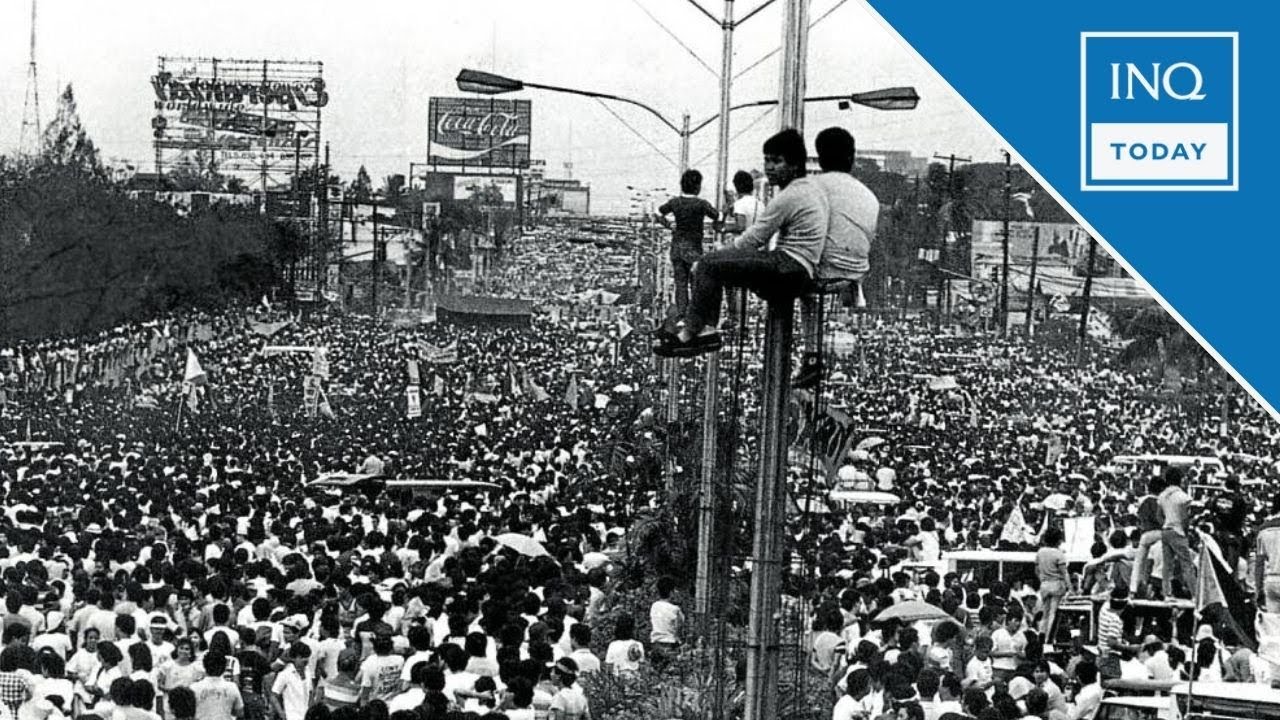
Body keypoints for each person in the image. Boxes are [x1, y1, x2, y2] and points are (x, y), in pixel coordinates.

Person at [654, 129, 827, 357]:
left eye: (776, 161)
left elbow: (753, 238)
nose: (769, 167)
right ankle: (706, 328)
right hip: (798, 265)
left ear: (794, 165)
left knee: (708, 265)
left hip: (790, 265)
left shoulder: (789, 197)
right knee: (715, 268)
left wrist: (720, 254)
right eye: (767, 161)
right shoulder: (806, 191)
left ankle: (690, 333)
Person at [795, 126, 878, 387]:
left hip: (820, 273)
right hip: (854, 271)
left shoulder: (810, 187)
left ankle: (810, 355)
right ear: (851, 158)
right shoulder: (869, 196)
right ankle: (853, 290)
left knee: (798, 284)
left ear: (820, 158)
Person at [655, 169, 720, 318]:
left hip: (677, 247)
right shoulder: (701, 204)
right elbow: (717, 215)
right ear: (698, 186)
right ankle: (695, 314)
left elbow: (658, 213)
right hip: (693, 249)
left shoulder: (674, 202)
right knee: (696, 283)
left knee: (680, 283)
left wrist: (669, 225)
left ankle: (681, 314)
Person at [1158, 468, 1197, 598]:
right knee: (1187, 565)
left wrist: (1165, 524)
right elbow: (1185, 518)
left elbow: (1159, 515)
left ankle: (1167, 593)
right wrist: (1185, 531)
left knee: (1167, 565)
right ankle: (1195, 594)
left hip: (1165, 530)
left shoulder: (1162, 495)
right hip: (1178, 531)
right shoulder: (1183, 497)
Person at [1128, 476, 1166, 599]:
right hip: (1159, 534)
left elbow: (1140, 518)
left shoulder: (1143, 501)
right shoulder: (1161, 502)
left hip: (1145, 535)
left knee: (1139, 564)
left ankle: (1133, 590)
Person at [1036, 528, 1069, 637]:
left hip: (1044, 584)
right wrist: (1070, 588)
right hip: (1056, 584)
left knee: (1045, 612)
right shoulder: (1059, 554)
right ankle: (1048, 637)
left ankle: (1041, 633)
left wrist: (1042, 580)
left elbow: (1037, 570)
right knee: (1053, 613)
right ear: (1058, 540)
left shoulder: (1040, 552)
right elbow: (1064, 573)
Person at [268, 642, 310, 720]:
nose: (305, 660)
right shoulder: (285, 674)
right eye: (301, 657)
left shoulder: (308, 672)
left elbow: (310, 693)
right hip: (291, 716)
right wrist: (281, 713)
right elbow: (273, 695)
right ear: (294, 658)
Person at [1254, 496, 1280, 612]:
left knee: (1273, 620)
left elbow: (1259, 563)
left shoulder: (1263, 529)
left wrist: (1258, 589)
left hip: (1271, 580)